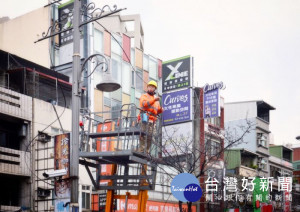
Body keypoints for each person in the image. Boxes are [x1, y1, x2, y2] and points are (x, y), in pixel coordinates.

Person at [138, 80, 163, 153]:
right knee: (143, 135)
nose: (151, 88)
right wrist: (154, 100)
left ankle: (147, 151)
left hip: (152, 120)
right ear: (147, 87)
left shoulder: (156, 100)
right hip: (144, 118)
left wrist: (161, 110)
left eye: (153, 87)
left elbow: (157, 110)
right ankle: (141, 150)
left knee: (150, 137)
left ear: (155, 89)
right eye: (150, 87)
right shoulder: (144, 96)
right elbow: (144, 104)